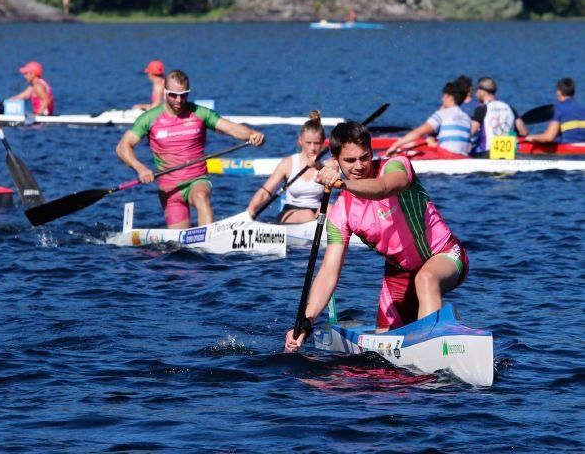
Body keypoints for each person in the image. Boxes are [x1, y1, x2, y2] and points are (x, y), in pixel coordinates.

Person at [284, 121, 469, 352]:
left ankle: (436, 342)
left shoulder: (396, 167)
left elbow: (383, 188)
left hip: (444, 254)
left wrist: (342, 182)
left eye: (364, 157)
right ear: (336, 158)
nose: (360, 166)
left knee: (426, 279)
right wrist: (307, 320)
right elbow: (329, 273)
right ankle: (439, 323)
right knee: (382, 350)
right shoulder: (341, 213)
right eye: (350, 161)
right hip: (398, 275)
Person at [116, 70, 265, 229]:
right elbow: (122, 147)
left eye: (184, 95)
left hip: (197, 179)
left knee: (201, 196)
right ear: (165, 91)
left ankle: (210, 243)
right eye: (173, 95)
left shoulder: (199, 113)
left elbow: (232, 129)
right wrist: (141, 168)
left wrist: (253, 135)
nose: (179, 100)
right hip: (170, 188)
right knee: (178, 247)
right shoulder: (149, 118)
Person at [245, 111, 325, 223]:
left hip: (318, 213)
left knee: (329, 210)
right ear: (300, 141)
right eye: (308, 143)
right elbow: (265, 192)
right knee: (308, 215)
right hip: (290, 213)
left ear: (323, 142)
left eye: (316, 143)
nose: (312, 148)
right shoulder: (288, 164)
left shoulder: (328, 166)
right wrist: (250, 211)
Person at [384, 81, 471, 156]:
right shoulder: (467, 118)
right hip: (462, 156)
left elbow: (418, 133)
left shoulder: (442, 114)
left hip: (447, 156)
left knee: (405, 154)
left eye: (444, 96)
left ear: (450, 98)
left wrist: (395, 145)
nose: (442, 99)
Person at [469, 77, 528, 155]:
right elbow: (524, 132)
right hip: (508, 152)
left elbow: (471, 132)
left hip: (487, 153)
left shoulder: (481, 109)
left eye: (477, 91)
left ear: (482, 92)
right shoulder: (510, 108)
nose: (476, 94)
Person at [526, 77, 585, 144]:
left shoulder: (559, 109)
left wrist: (532, 137)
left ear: (558, 92)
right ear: (573, 92)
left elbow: (549, 137)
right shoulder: (583, 109)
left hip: (567, 151)